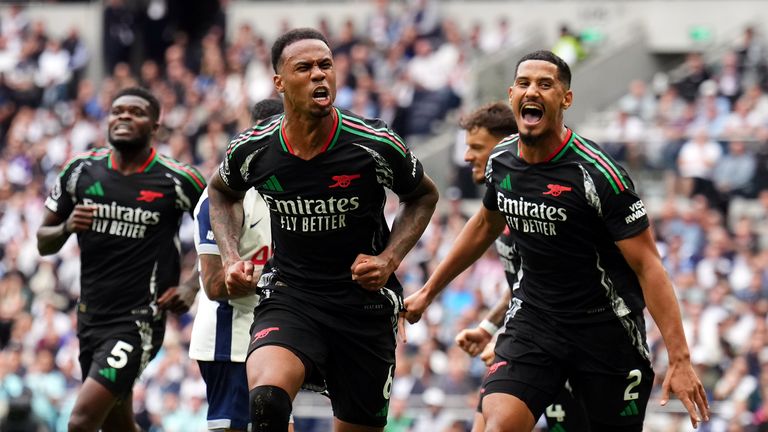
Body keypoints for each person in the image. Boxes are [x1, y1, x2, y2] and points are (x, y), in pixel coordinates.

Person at [404, 50, 710, 431]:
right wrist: (429, 291)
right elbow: (484, 224)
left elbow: (648, 266)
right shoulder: (501, 160)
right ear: (512, 94)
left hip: (605, 330)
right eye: (525, 83)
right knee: (495, 423)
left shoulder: (598, 176)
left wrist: (680, 359)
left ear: (565, 98)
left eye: (545, 84)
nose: (533, 91)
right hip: (535, 320)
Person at [207, 28, 438, 431]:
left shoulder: (374, 143)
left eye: (325, 65)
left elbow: (423, 196)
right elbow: (221, 192)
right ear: (279, 82)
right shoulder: (254, 149)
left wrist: (389, 259)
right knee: (266, 402)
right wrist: (230, 258)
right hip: (291, 295)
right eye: (305, 67)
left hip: (362, 305)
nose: (319, 74)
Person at [37, 86, 205, 432]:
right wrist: (67, 226)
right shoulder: (80, 171)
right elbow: (43, 242)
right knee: (118, 425)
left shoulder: (179, 179)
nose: (124, 116)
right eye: (117, 111)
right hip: (90, 317)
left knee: (81, 421)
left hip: (139, 320)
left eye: (136, 112)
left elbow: (222, 233)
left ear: (155, 125)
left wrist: (192, 286)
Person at [453, 102, 589, 432]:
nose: (468, 156)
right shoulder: (503, 209)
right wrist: (489, 328)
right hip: (527, 341)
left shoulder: (540, 215)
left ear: (505, 146)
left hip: (571, 346)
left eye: (476, 148)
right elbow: (523, 285)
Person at [189, 98, 290, 432]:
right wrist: (279, 278)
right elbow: (215, 284)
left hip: (272, 337)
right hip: (229, 339)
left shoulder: (290, 191)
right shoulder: (224, 197)